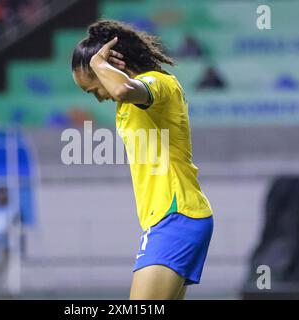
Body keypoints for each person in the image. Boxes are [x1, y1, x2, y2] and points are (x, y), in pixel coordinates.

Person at [71, 20, 214, 300]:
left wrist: (100, 64)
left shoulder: (158, 85)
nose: (99, 98)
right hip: (167, 220)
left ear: (112, 65)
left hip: (176, 216)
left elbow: (123, 89)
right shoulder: (125, 104)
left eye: (94, 88)